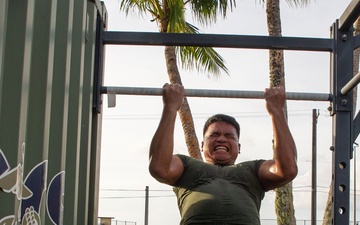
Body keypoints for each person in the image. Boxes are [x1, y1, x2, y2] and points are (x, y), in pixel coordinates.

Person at [149, 83, 298, 225]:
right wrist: (170, 107)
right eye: (214, 135)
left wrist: (277, 111)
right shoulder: (186, 165)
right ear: (202, 145)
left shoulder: (254, 169)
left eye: (229, 136)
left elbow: (287, 169)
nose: (221, 139)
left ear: (238, 147)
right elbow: (159, 168)